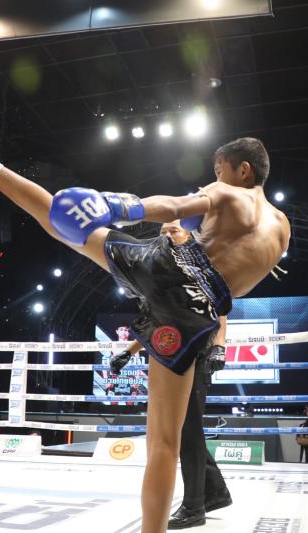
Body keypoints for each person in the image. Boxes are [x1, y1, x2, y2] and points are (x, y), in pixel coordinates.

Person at [0, 125, 290, 533]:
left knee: (60, 219)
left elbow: (172, 206)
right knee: (165, 442)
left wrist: (116, 206)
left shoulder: (228, 193)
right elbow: (234, 283)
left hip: (170, 273)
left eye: (219, 170)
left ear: (243, 170)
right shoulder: (282, 228)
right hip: (199, 315)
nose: (214, 178)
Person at [108, 221, 231, 530]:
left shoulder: (199, 266)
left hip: (196, 353)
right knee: (185, 429)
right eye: (162, 232)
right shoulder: (162, 276)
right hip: (171, 354)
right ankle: (214, 492)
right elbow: (156, 323)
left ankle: (194, 508)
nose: (166, 235)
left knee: (187, 431)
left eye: (173, 230)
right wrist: (129, 351)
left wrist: (220, 346)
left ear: (190, 235)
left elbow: (220, 312)